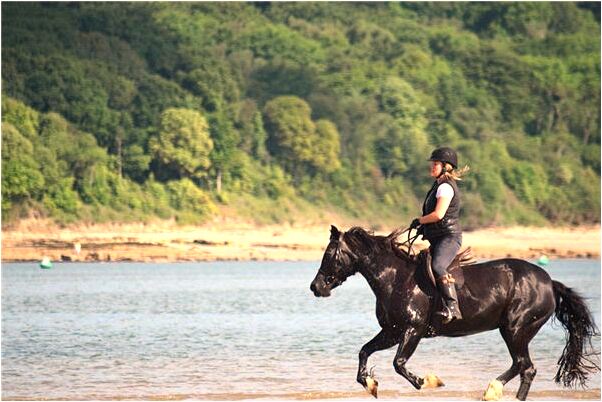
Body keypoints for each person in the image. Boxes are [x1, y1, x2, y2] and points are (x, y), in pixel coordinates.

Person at [410, 147, 469, 323]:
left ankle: (453, 307)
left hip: (449, 238)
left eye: (435, 164)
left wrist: (420, 221)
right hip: (439, 237)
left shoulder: (445, 187)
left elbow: (439, 214)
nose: (432, 167)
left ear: (446, 166)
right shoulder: (438, 185)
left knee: (437, 266)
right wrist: (423, 228)